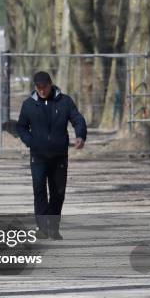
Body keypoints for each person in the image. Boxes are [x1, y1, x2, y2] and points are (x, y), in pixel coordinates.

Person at [16, 71, 87, 240]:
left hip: (59, 156)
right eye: (38, 88)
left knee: (58, 193)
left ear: (50, 85)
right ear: (35, 87)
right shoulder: (28, 105)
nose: (42, 91)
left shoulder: (65, 101)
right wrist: (30, 141)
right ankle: (42, 228)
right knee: (39, 191)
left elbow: (77, 119)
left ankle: (53, 228)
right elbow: (21, 127)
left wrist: (80, 135)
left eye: (44, 87)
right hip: (38, 156)